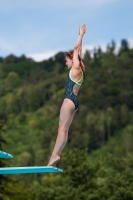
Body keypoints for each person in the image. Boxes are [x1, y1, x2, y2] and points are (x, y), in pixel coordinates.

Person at [47, 24, 86, 166]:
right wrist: (82, 38)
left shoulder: (75, 67)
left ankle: (54, 155)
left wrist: (80, 34)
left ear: (72, 59)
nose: (65, 62)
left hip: (68, 100)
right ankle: (56, 154)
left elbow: (76, 49)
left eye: (66, 60)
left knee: (61, 128)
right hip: (75, 102)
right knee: (65, 129)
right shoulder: (80, 69)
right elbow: (79, 51)